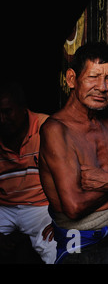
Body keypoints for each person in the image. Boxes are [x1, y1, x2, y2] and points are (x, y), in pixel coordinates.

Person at [39, 42, 108, 264]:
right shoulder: (56, 130)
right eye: (93, 77)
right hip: (80, 248)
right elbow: (74, 207)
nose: (102, 87)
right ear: (72, 79)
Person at [0, 81, 56, 263]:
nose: (2, 119)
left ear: (24, 109)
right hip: (4, 207)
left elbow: (66, 177)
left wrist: (61, 218)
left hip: (41, 206)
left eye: (7, 112)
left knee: (62, 249)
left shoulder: (46, 127)